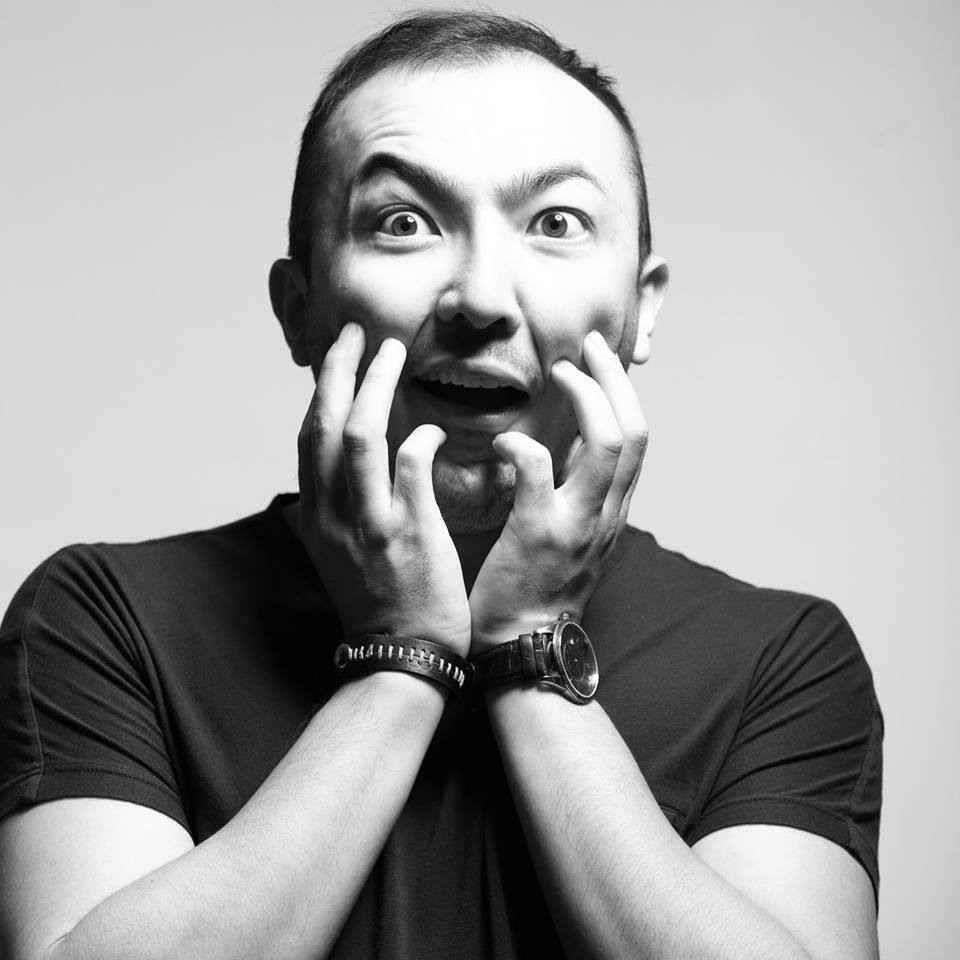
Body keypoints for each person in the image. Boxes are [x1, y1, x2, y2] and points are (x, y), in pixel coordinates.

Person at [0, 10, 881, 959]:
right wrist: (403, 657)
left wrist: (531, 646)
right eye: (403, 222)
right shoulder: (106, 617)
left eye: (556, 223)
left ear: (640, 306)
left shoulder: (782, 657)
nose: (482, 300)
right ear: (299, 309)